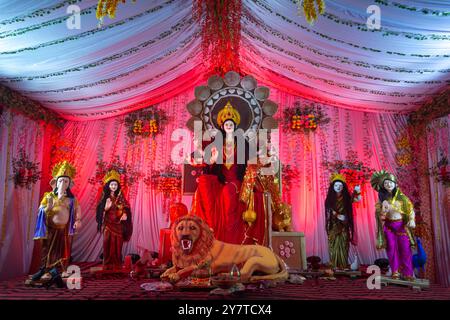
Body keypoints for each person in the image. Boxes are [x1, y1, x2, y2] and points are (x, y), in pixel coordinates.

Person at [191, 101, 266, 245]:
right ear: (222, 126)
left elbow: (254, 161)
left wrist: (261, 160)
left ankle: (230, 238)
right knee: (204, 183)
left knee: (228, 191)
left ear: (235, 126)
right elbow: (199, 159)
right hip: (220, 180)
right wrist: (210, 160)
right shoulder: (215, 143)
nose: (229, 126)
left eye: (231, 124)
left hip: (236, 182)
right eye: (226, 124)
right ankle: (212, 231)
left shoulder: (243, 143)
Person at [30, 161, 81, 287]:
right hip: (50, 229)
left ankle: (64, 270)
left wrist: (78, 220)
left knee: (64, 250)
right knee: (48, 250)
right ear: (55, 183)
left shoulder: (72, 199)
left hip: (64, 230)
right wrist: (49, 207)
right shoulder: (48, 196)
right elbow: (40, 211)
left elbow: (77, 210)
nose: (63, 183)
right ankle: (46, 270)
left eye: (66, 181)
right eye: (60, 181)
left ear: (70, 184)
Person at [371, 170, 416, 280]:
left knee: (405, 249)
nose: (388, 185)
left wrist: (412, 219)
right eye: (386, 183)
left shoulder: (403, 198)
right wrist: (382, 210)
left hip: (401, 226)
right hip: (389, 227)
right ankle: (394, 271)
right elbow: (378, 213)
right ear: (383, 186)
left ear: (395, 184)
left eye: (390, 182)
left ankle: (408, 273)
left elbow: (410, 210)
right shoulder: (381, 199)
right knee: (391, 248)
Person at [96, 170, 133, 271]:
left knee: (118, 244)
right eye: (112, 184)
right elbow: (100, 211)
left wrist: (125, 214)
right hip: (108, 224)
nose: (113, 186)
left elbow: (125, 207)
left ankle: (117, 263)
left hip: (118, 225)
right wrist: (106, 207)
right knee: (107, 242)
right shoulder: (105, 197)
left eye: (115, 184)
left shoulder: (120, 197)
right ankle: (107, 263)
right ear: (108, 185)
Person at [325, 173, 361, 270]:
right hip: (334, 225)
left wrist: (357, 191)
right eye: (336, 185)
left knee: (344, 244)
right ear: (332, 187)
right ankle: (334, 264)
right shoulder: (329, 198)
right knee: (333, 244)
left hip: (344, 225)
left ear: (343, 187)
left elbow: (357, 199)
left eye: (340, 186)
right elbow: (329, 210)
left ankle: (343, 265)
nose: (338, 187)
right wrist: (337, 215)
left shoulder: (347, 198)